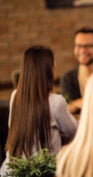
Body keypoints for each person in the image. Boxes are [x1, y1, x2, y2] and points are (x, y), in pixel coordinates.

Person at [0, 45, 77, 175]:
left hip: (11, 171)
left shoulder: (15, 96)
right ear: (51, 70)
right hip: (43, 172)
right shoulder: (56, 101)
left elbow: (11, 126)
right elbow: (72, 131)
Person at [60, 26, 93, 114]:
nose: (82, 50)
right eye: (78, 46)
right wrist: (76, 104)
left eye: (88, 46)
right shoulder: (69, 78)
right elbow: (64, 110)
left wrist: (80, 102)